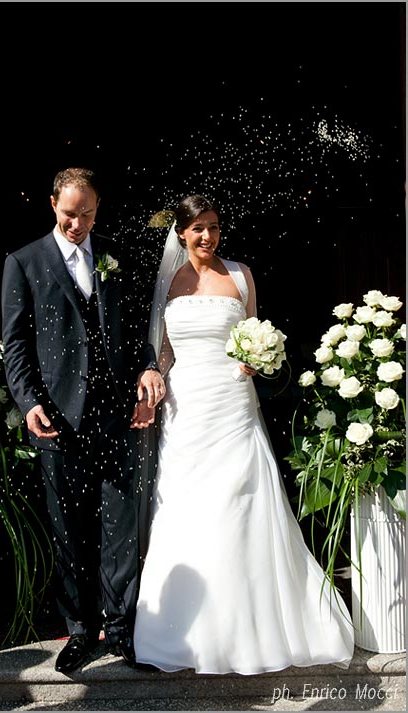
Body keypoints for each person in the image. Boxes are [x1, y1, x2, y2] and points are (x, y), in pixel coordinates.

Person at [133, 194, 354, 675]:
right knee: (187, 506)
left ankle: (252, 624)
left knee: (241, 501)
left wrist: (259, 357)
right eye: (198, 229)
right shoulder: (167, 281)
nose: (208, 236)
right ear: (181, 233)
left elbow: (254, 331)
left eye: (214, 226)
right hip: (186, 408)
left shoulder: (241, 274)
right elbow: (162, 352)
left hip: (234, 402)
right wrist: (149, 392)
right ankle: (181, 630)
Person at [1, 167, 164, 674]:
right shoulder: (23, 262)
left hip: (117, 415)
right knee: (69, 530)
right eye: (70, 213)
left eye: (88, 213)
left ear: (98, 208)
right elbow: (17, 344)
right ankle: (79, 631)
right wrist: (28, 401)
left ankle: (121, 630)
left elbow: (137, 327)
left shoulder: (115, 255)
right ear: (53, 204)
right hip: (58, 419)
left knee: (121, 529)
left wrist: (148, 367)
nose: (78, 223)